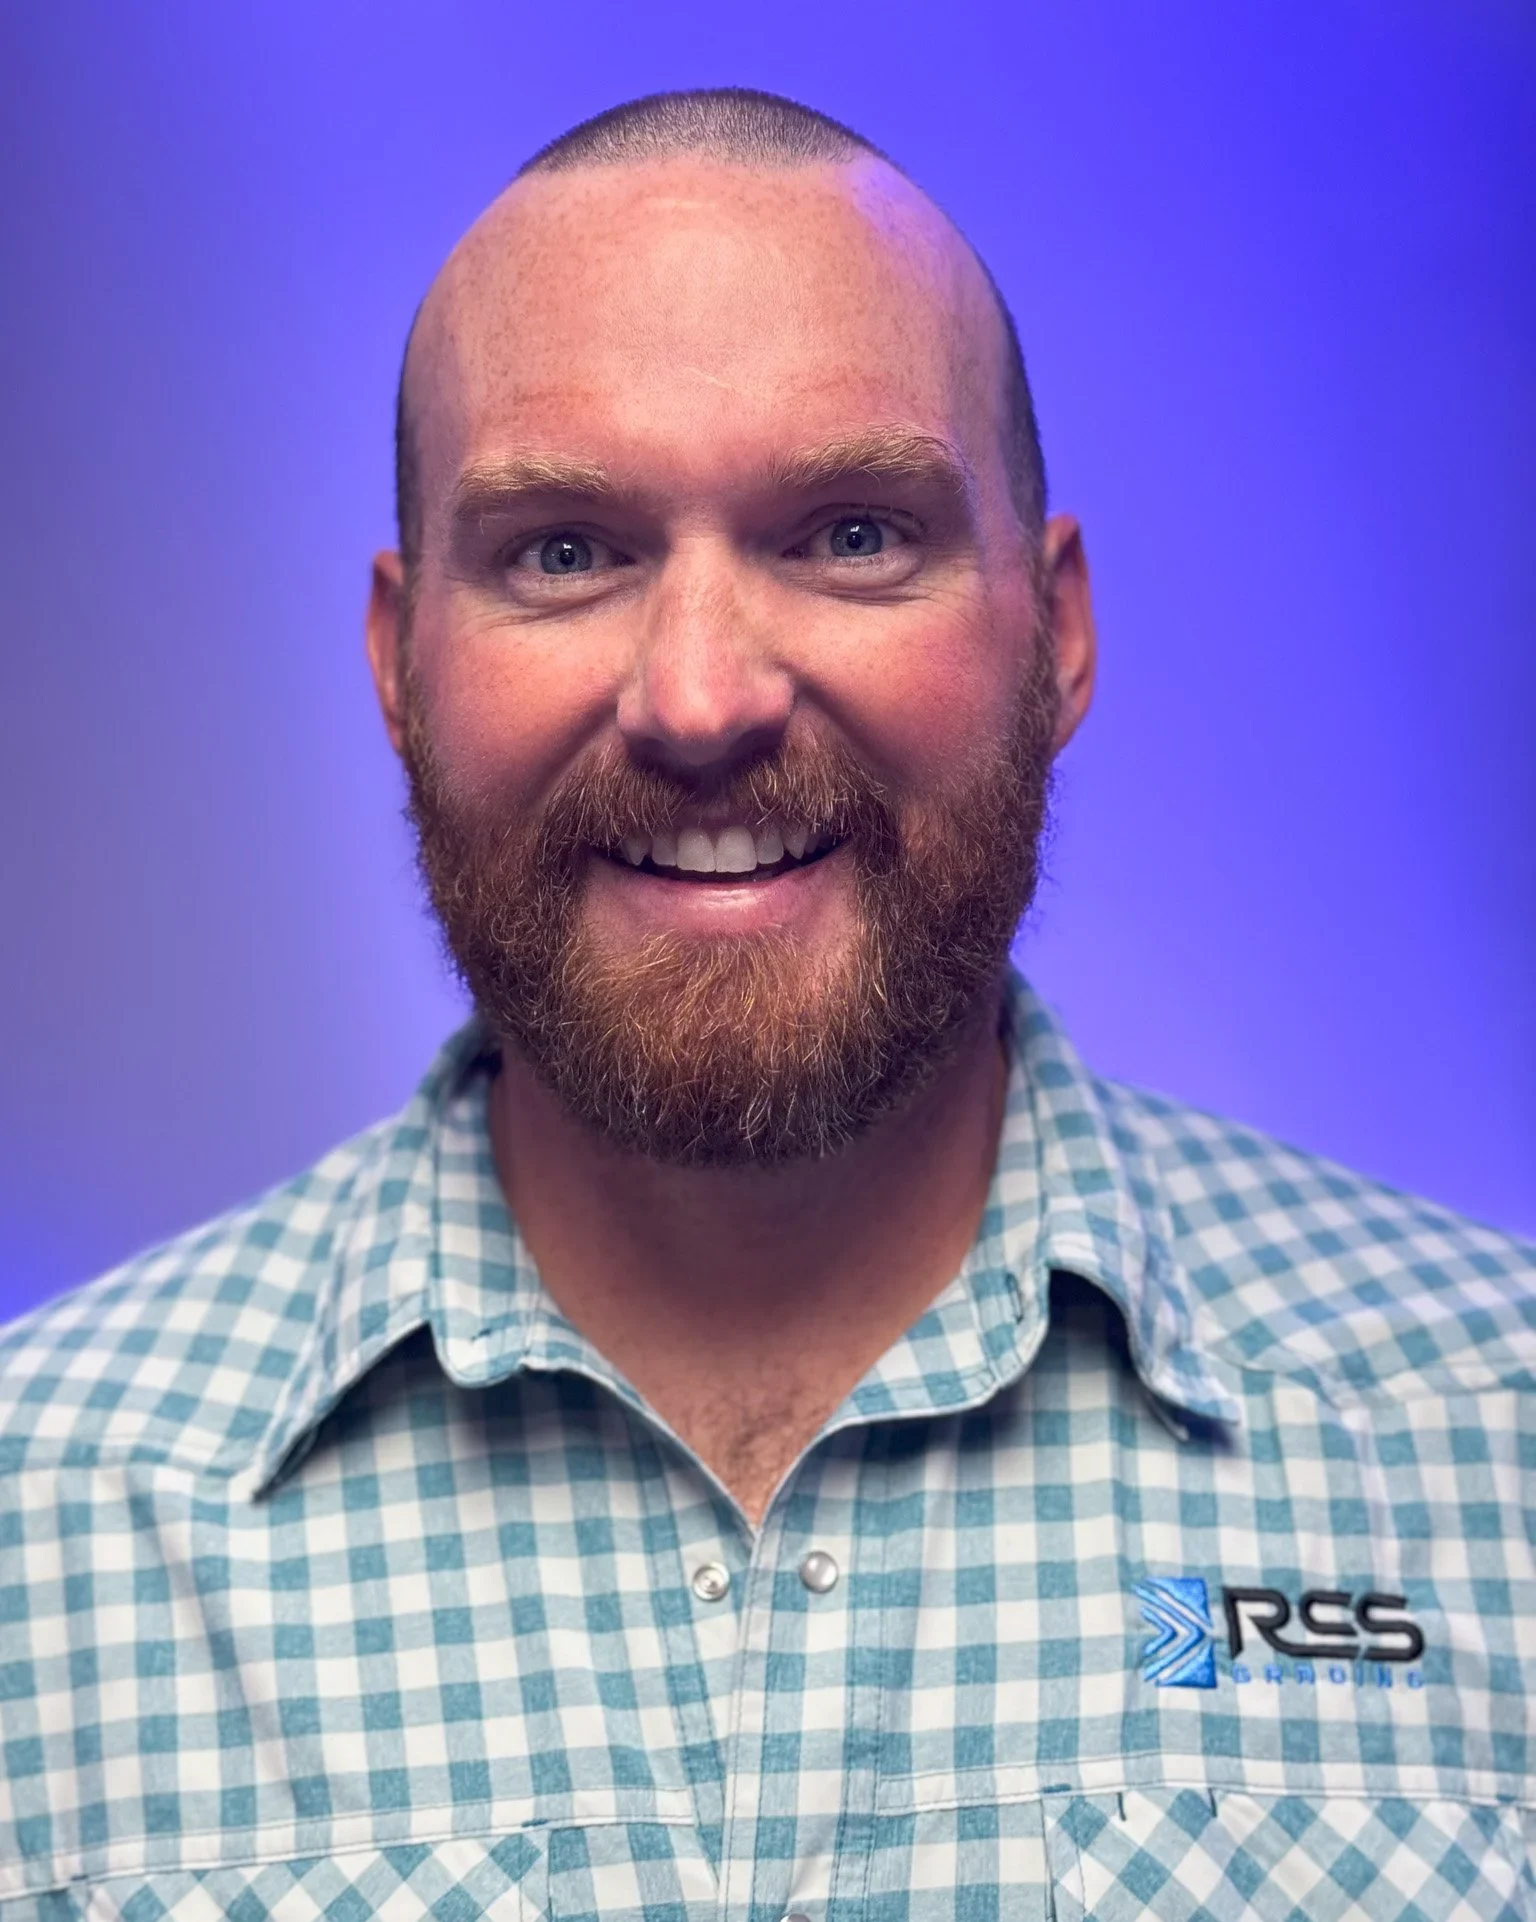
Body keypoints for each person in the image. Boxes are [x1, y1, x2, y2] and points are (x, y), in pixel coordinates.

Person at [1, 87, 1531, 1922]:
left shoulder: (1495, 1443)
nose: (702, 696)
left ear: (1053, 633)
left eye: (852, 533)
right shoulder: (39, 1530)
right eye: (565, 551)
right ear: (399, 665)